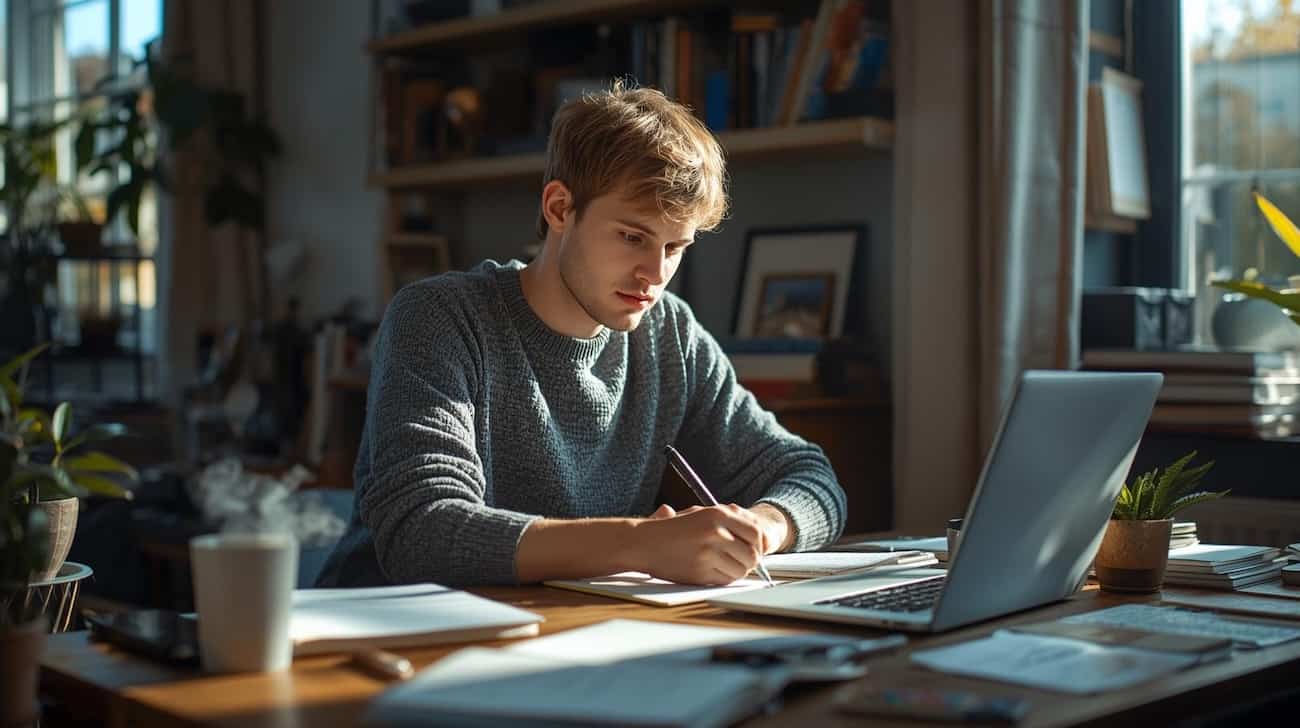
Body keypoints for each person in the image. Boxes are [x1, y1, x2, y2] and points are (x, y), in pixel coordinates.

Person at [317, 82, 846, 588]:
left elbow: (810, 476)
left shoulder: (670, 333)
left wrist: (761, 530)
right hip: (383, 638)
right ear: (560, 208)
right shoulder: (441, 316)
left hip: (554, 635)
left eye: (675, 247)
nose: (654, 275)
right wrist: (641, 544)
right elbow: (422, 531)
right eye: (632, 237)